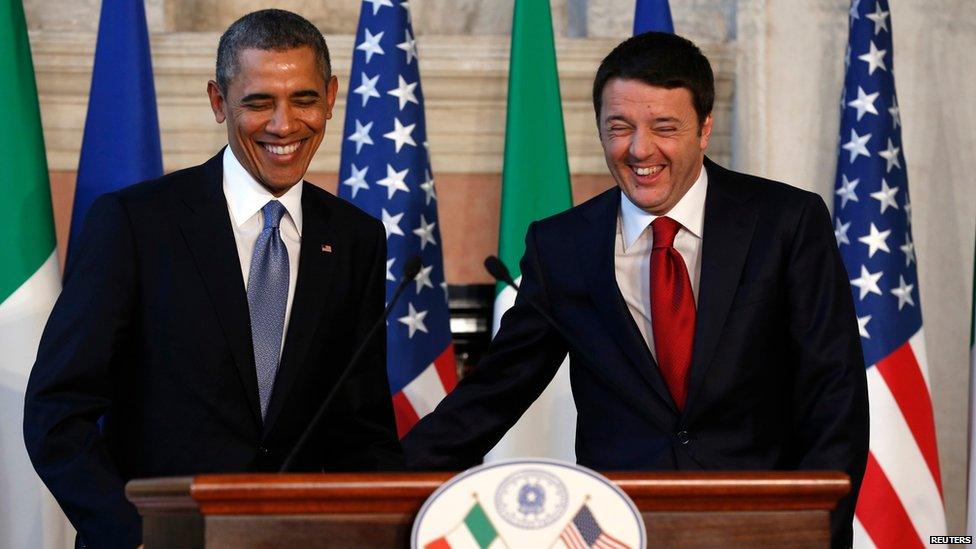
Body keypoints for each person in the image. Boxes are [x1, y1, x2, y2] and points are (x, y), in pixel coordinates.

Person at [402, 32, 868, 548]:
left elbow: (834, 393)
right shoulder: (562, 246)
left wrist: (814, 525)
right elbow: (493, 393)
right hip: (616, 529)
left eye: (664, 127)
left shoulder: (787, 223)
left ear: (704, 128)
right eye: (619, 128)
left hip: (759, 523)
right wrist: (380, 483)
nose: (640, 149)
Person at [23, 10, 402, 549]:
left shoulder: (356, 238)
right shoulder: (135, 223)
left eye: (303, 99)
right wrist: (132, 536)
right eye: (258, 102)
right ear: (218, 101)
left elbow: (362, 427)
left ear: (332, 97)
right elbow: (57, 410)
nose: (283, 124)